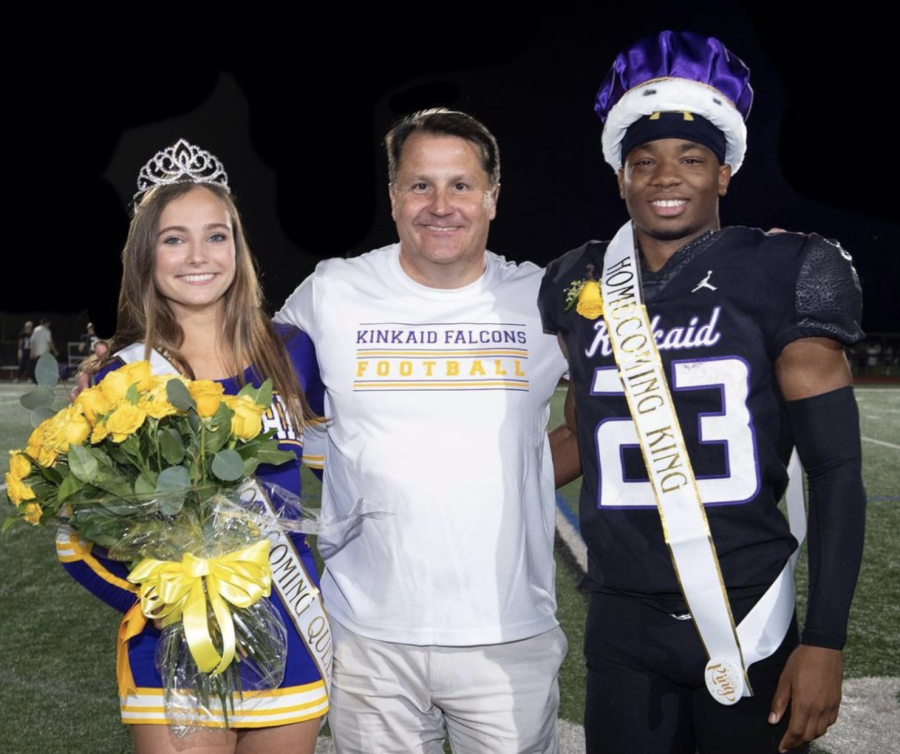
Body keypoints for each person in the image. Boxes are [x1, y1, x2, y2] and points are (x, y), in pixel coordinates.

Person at [539, 31, 866, 754]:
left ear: (724, 173)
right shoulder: (575, 279)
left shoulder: (785, 268)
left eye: (691, 159)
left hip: (749, 610)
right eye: (645, 161)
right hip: (621, 620)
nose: (666, 177)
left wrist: (827, 641)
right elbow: (582, 434)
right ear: (620, 176)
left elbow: (838, 471)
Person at [276, 108, 569, 753]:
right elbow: (245, 375)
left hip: (508, 634)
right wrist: (128, 363)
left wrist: (524, 473)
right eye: (420, 185)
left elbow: (611, 412)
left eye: (461, 185)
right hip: (368, 635)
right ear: (392, 196)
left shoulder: (544, 298)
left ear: (493, 197)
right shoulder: (334, 290)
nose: (441, 205)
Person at [57, 140, 329, 754]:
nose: (199, 256)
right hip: (172, 641)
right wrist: (161, 598)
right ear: (144, 254)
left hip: (291, 626)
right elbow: (79, 533)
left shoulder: (295, 352)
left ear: (239, 246)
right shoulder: (121, 377)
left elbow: (350, 466)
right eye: (174, 238)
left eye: (217, 235)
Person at [29, 317, 58, 382]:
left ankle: (36, 379)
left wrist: (32, 351)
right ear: (47, 323)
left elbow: (32, 341)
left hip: (37, 352)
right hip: (44, 352)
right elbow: (50, 342)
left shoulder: (35, 329)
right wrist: (55, 351)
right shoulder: (47, 331)